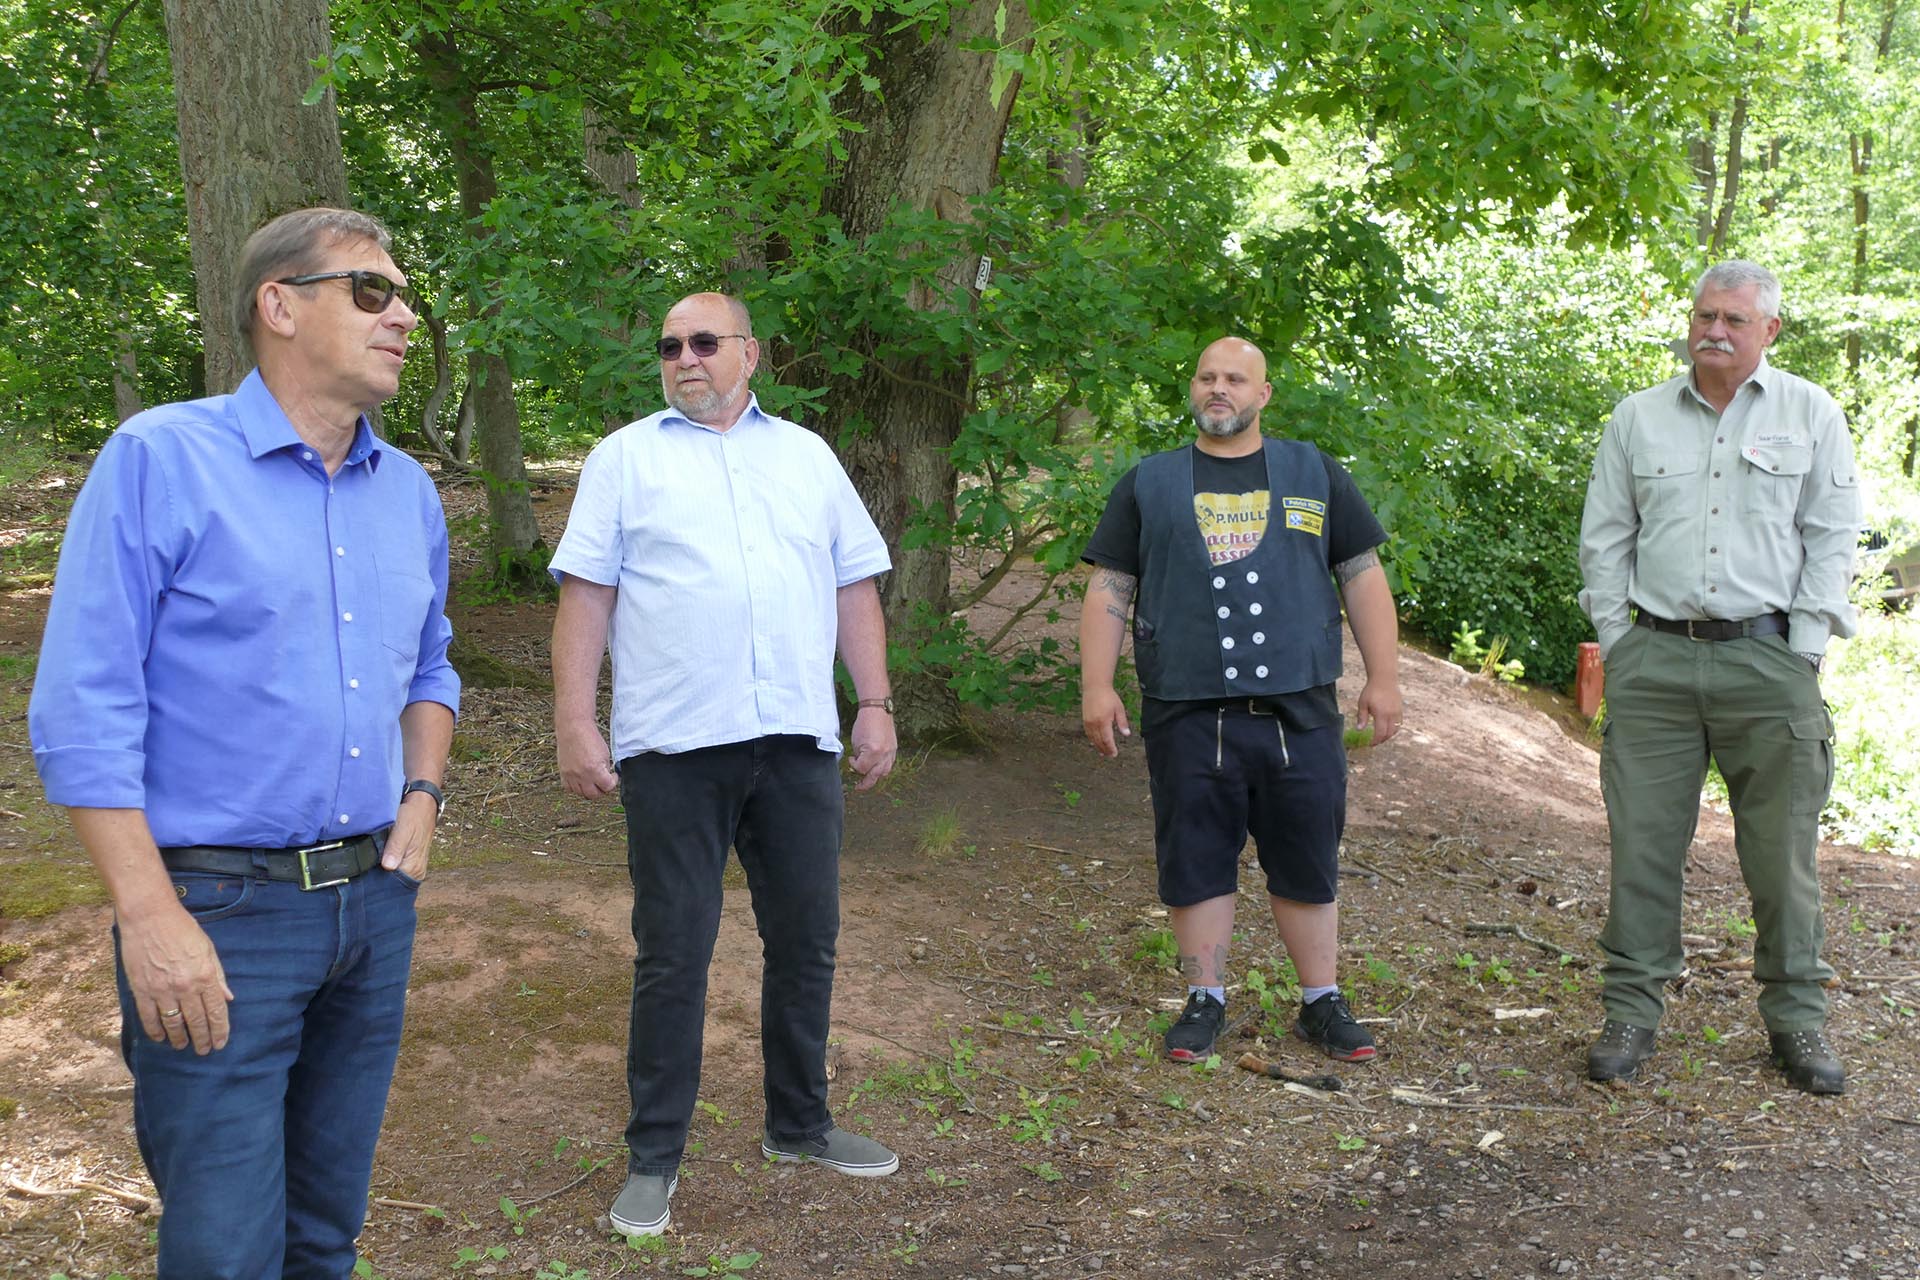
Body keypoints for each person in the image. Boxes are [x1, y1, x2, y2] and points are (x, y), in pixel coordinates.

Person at [28, 207, 459, 1278]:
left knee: (325, 1233)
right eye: (372, 290)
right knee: (224, 1249)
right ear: (279, 305)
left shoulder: (407, 492)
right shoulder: (159, 459)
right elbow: (83, 704)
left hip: (374, 905)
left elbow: (429, 668)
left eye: (405, 297)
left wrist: (423, 795)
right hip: (216, 913)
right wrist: (148, 915)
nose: (404, 316)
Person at [550, 291, 900, 1238]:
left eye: (704, 342)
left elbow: (853, 584)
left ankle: (801, 1125)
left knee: (807, 941)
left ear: (751, 353)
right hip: (674, 748)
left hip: (796, 740)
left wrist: (873, 703)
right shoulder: (625, 458)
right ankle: (654, 1157)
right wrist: (576, 721)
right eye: (670, 347)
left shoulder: (808, 456)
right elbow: (586, 596)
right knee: (674, 952)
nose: (685, 358)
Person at [1079, 336, 1403, 1065]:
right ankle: (1205, 1000)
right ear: (1193, 389)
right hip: (1187, 707)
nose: (1218, 388)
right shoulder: (1149, 482)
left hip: (1301, 709)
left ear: (1263, 394)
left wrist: (1383, 677)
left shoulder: (1314, 471)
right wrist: (1096, 686)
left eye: (1234, 378)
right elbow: (1109, 587)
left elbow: (1361, 574)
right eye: (1206, 377)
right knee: (1194, 856)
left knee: (1307, 852)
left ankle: (1322, 1001)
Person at [1578, 260, 1861, 1094]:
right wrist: (1618, 642)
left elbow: (1832, 536)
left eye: (1735, 320)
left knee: (1782, 855)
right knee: (1642, 848)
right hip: (1656, 659)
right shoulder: (1637, 417)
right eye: (1706, 315)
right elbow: (1605, 537)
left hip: (1769, 663)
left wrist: (1805, 651)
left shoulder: (1811, 413)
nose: (1715, 331)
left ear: (1769, 330)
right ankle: (1630, 1012)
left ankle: (1797, 1019)